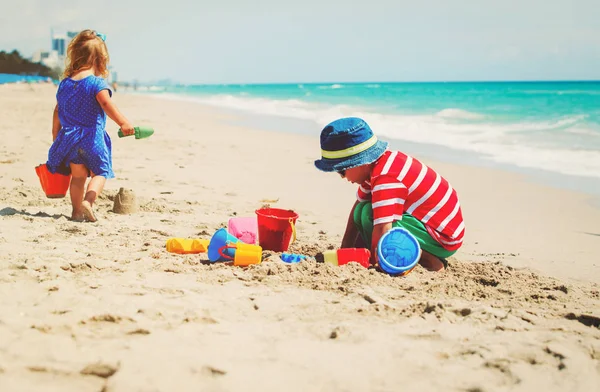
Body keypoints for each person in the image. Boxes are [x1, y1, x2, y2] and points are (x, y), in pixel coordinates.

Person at [314, 117, 465, 272]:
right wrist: (345, 248)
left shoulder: (386, 178)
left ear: (360, 162)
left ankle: (429, 260)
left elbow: (382, 227)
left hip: (443, 238)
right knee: (361, 210)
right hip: (427, 224)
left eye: (342, 170)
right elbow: (357, 207)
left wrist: (376, 263)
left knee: (369, 214)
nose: (343, 177)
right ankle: (367, 252)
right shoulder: (374, 167)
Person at [47, 30, 135, 222]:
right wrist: (123, 122)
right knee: (101, 173)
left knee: (77, 177)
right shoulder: (96, 83)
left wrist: (56, 135)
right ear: (101, 59)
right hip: (92, 138)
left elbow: (57, 111)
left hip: (69, 138)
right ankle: (88, 202)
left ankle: (76, 212)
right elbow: (106, 104)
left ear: (75, 56)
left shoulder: (64, 85)